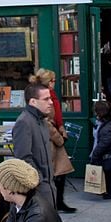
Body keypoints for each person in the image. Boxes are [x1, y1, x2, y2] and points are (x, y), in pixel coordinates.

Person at [29, 68, 75, 213]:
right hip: (51, 141)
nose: (55, 83)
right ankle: (53, 204)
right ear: (48, 83)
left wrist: (61, 127)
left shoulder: (51, 96)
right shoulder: (43, 98)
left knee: (60, 173)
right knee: (54, 174)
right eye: (53, 81)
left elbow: (56, 117)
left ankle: (58, 202)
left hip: (56, 136)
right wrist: (59, 137)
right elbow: (46, 122)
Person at [10, 82, 55, 207]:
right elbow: (23, 158)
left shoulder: (42, 120)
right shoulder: (24, 122)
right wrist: (40, 180)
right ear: (33, 102)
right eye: (46, 99)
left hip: (48, 186)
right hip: (37, 189)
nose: (51, 102)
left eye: (50, 98)